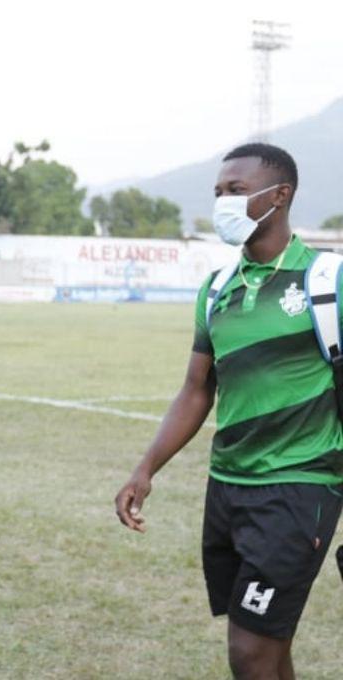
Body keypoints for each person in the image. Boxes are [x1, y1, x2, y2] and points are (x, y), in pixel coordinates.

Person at [115, 143, 343, 680]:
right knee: (270, 644)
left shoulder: (327, 281)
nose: (223, 202)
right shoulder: (218, 287)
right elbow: (197, 389)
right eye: (218, 192)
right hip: (227, 488)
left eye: (236, 192)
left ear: (279, 196)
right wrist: (145, 470)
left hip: (298, 487)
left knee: (249, 652)